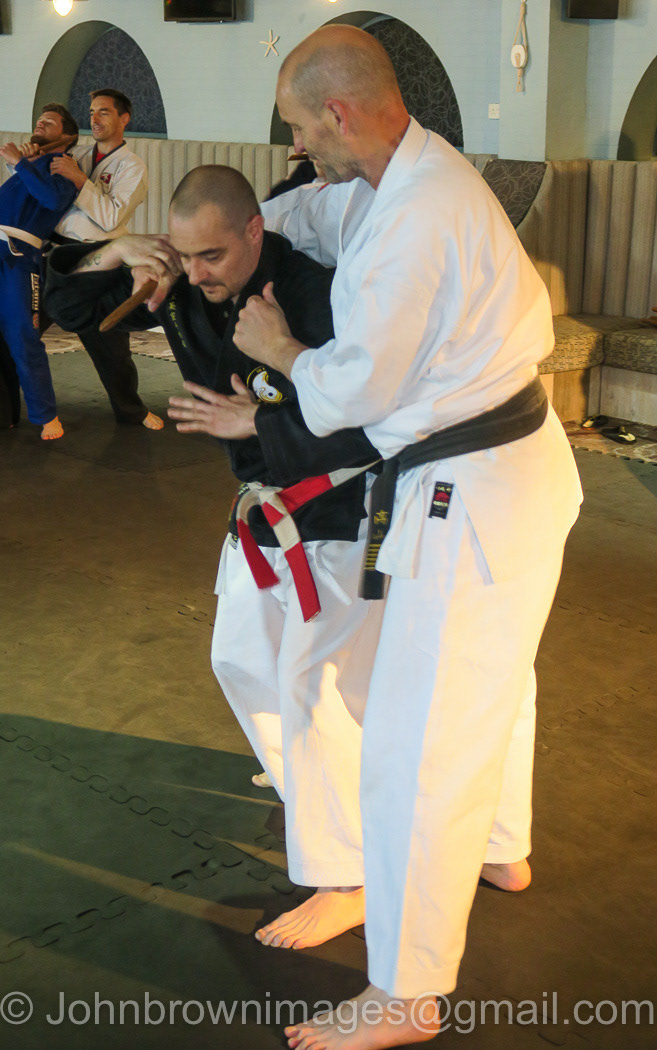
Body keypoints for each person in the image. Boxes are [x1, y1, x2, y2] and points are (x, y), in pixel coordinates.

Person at [232, 25, 584, 1049]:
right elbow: (320, 213)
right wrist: (248, 224)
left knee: (415, 742)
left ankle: (406, 994)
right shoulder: (402, 177)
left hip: (472, 492)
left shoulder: (420, 214)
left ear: (338, 113)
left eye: (301, 128)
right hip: (512, 474)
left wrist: (279, 348)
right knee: (496, 682)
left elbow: (354, 390)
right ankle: (502, 844)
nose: (298, 146)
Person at [44, 164, 384, 940]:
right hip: (264, 507)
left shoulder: (310, 294)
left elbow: (373, 417)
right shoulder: (178, 280)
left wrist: (260, 420)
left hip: (341, 506)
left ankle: (349, 874)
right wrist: (114, 252)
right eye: (186, 255)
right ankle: (314, 794)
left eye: (213, 257)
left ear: (254, 231)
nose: (196, 275)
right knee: (238, 659)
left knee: (313, 682)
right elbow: (66, 308)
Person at [48, 88, 162, 430]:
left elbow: (111, 218)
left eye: (104, 112)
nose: (94, 118)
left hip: (99, 259)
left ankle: (132, 410)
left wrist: (79, 180)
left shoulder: (132, 167)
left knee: (110, 344)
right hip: (56, 254)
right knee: (18, 326)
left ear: (124, 119)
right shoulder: (77, 154)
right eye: (92, 112)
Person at [0, 103, 79, 439]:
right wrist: (21, 164)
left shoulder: (65, 167)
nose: (40, 124)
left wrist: (20, 163)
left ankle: (46, 416)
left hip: (19, 257)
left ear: (67, 136)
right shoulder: (31, 165)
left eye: (49, 122)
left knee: (23, 335)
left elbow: (51, 200)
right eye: (39, 120)